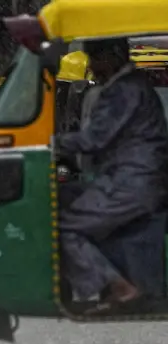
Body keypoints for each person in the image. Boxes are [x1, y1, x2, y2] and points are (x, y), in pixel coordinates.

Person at [57, 38, 168, 313]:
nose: (92, 66)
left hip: (132, 183)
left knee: (65, 226)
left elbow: (95, 138)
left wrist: (48, 143)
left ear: (114, 56)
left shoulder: (124, 90)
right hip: (132, 180)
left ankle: (120, 289)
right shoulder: (132, 87)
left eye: (96, 58)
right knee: (63, 198)